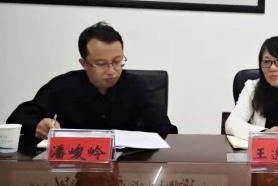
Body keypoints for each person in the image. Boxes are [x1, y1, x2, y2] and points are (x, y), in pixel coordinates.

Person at [7, 21, 175, 140]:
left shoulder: (137, 87)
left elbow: (167, 131)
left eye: (117, 61)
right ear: (84, 64)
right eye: (101, 64)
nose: (111, 71)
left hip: (126, 168)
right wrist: (38, 124)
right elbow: (18, 117)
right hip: (75, 168)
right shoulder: (62, 87)